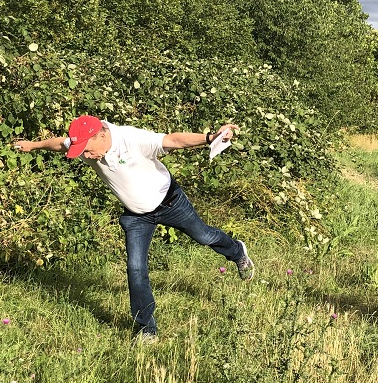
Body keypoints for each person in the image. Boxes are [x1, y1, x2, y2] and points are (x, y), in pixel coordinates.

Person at [13, 115, 254, 342]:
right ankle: (146, 329)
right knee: (135, 268)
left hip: (170, 203)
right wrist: (33, 146)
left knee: (204, 236)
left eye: (87, 149)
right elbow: (59, 144)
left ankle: (237, 252)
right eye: (81, 151)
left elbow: (172, 140)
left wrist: (210, 138)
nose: (85, 155)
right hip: (136, 216)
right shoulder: (85, 144)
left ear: (101, 134)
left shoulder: (132, 139)